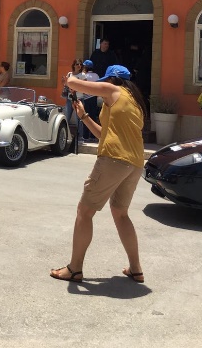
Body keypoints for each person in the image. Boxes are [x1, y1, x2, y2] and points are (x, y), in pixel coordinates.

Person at [50, 64, 148, 284]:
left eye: (106, 80)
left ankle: (74, 269)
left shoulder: (114, 90)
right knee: (120, 213)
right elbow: (104, 134)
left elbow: (76, 84)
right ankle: (136, 269)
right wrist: (84, 116)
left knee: (84, 212)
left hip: (114, 159)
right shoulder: (133, 101)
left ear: (113, 80)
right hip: (134, 163)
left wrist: (69, 77)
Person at [80, 60, 100, 142]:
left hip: (86, 98)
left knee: (85, 117)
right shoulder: (96, 75)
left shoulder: (84, 76)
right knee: (93, 117)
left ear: (86, 67)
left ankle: (85, 136)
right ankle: (93, 135)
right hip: (94, 98)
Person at [62, 59, 85, 125]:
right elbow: (66, 85)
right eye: (77, 64)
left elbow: (85, 87)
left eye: (80, 64)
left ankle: (80, 135)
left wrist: (76, 89)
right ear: (74, 65)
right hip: (70, 99)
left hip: (79, 99)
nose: (79, 65)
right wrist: (64, 82)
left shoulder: (82, 75)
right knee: (66, 117)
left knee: (80, 119)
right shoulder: (69, 74)